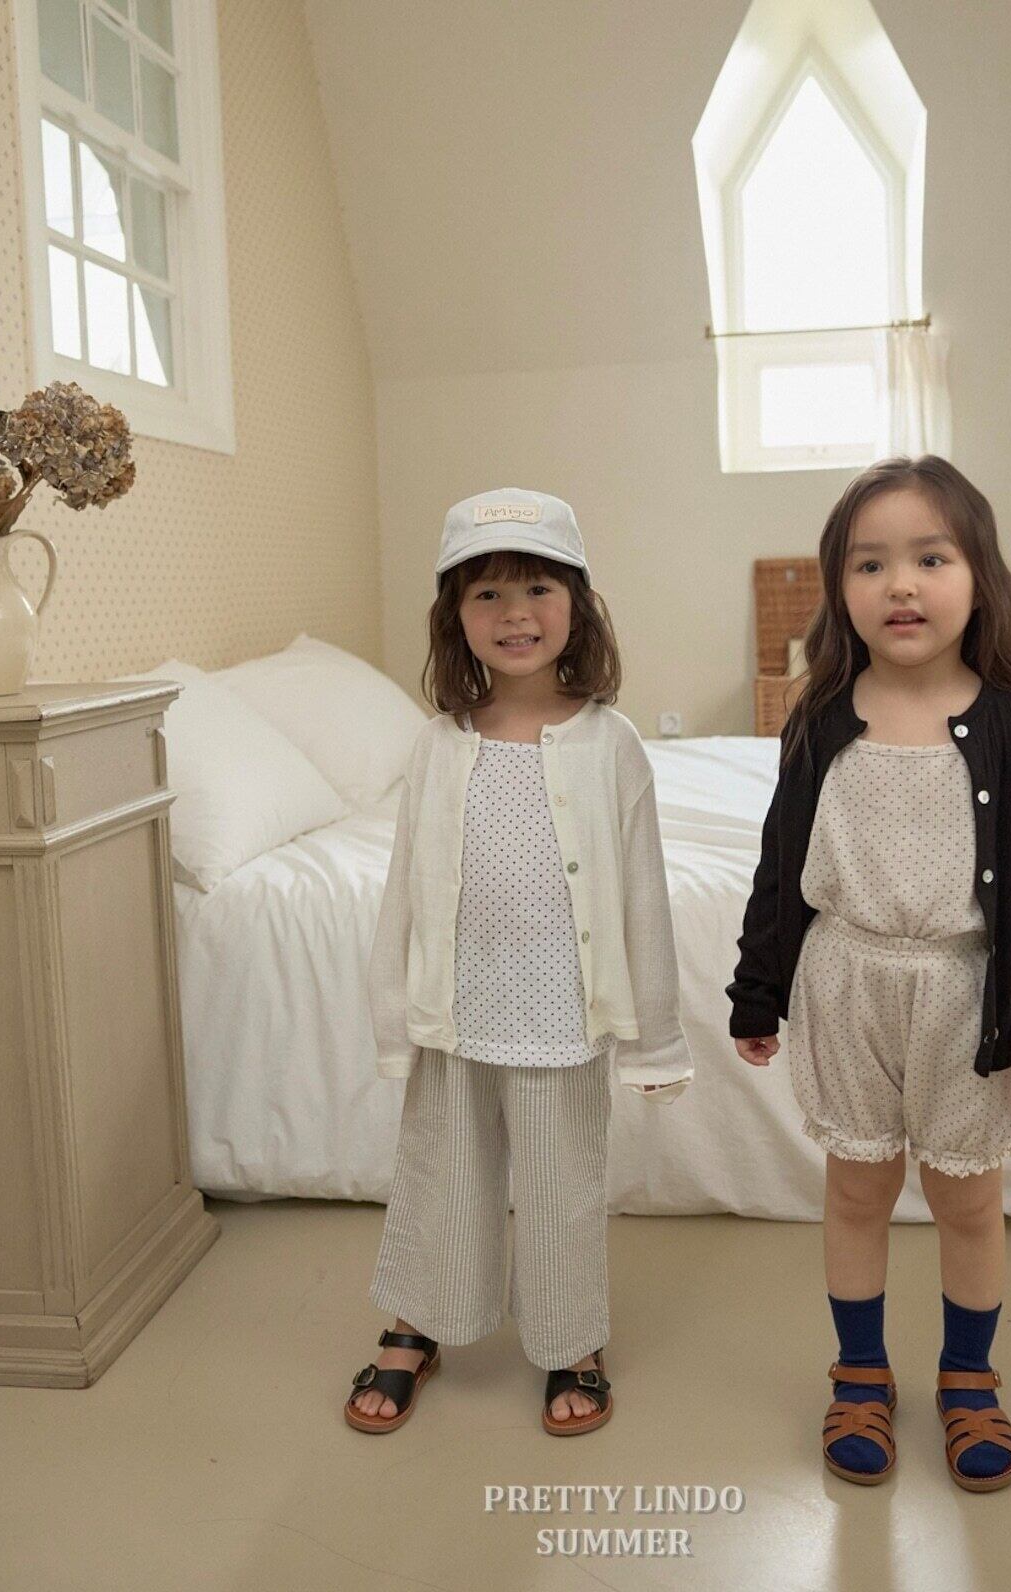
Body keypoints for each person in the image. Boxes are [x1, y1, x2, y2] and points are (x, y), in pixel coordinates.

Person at [727, 455, 1011, 1492]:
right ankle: (859, 1372)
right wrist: (757, 988)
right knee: (856, 1190)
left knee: (967, 1202)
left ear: (978, 576)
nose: (900, 585)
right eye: (869, 563)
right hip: (846, 988)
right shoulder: (819, 718)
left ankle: (968, 1378)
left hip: (966, 1000)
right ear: (839, 587)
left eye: (930, 558)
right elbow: (780, 867)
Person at [346, 488, 693, 1438]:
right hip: (454, 1010)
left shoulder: (611, 744)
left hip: (565, 1015)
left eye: (537, 588)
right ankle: (416, 1323)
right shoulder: (436, 746)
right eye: (487, 594)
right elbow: (404, 891)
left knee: (559, 1185)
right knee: (440, 1173)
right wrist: (393, 1015)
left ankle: (571, 1338)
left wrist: (656, 1038)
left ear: (577, 603)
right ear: (454, 616)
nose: (515, 615)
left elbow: (643, 896)